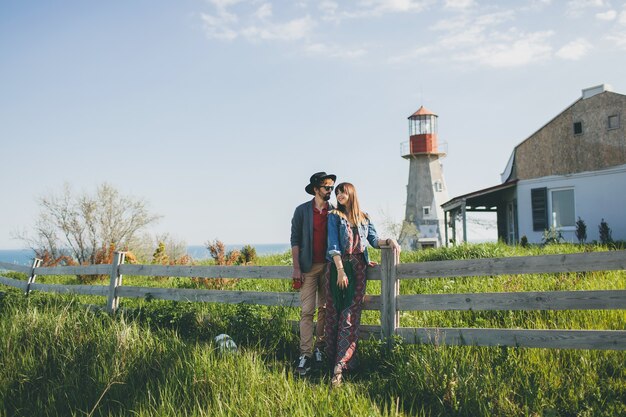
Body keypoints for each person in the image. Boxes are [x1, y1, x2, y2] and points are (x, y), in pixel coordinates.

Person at [324, 182, 400, 387]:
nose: (339, 195)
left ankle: (340, 366)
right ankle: (330, 359)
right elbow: (332, 245)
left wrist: (389, 241)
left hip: (358, 270)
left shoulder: (364, 218)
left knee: (350, 315)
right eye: (337, 192)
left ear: (351, 193)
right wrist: (340, 270)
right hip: (338, 268)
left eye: (343, 191)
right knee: (333, 313)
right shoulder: (334, 216)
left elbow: (374, 241)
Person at [290, 171, 336, 376]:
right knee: (307, 311)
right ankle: (305, 353)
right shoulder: (301, 211)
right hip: (307, 268)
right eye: (327, 187)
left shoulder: (334, 211)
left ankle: (320, 348)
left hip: (328, 267)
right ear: (316, 189)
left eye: (332, 188)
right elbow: (295, 240)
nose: (330, 191)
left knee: (324, 309)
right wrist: (297, 268)